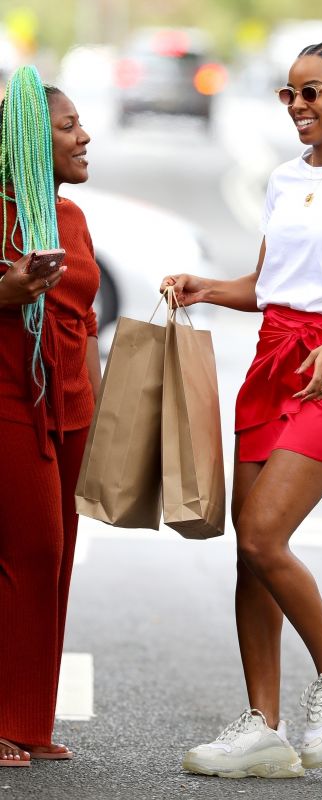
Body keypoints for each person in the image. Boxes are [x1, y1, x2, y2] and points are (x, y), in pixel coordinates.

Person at [161, 41, 322, 779]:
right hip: (273, 361)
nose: (299, 107)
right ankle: (262, 729)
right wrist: (207, 288)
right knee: (248, 554)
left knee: (263, 531)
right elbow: (271, 282)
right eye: (288, 95)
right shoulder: (282, 181)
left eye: (312, 93)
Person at [0, 66, 100, 766]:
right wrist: (8, 292)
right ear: (35, 142)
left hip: (70, 410)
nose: (84, 136)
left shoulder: (71, 217)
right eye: (68, 128)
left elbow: (84, 319)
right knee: (28, 553)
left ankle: (29, 717)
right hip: (9, 398)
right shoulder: (4, 211)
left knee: (55, 559)